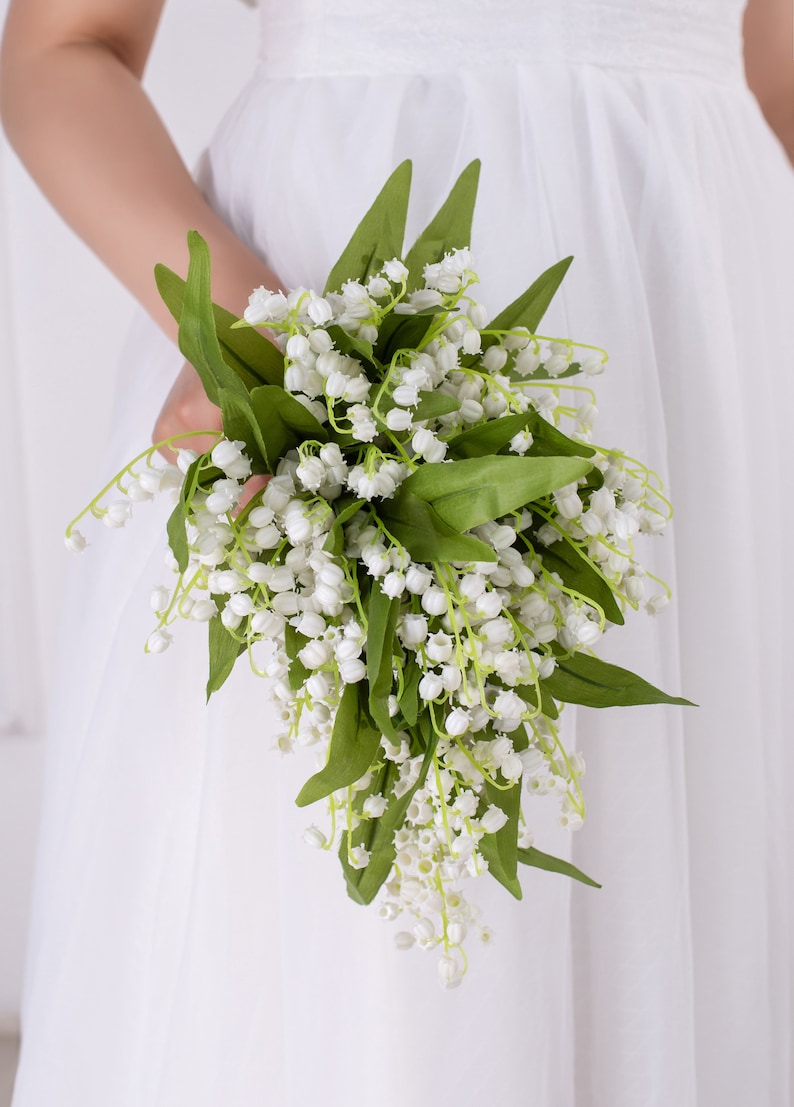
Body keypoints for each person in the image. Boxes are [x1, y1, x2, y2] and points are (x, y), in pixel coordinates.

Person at [1, 2, 793, 1105]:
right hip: (345, 318)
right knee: (383, 962)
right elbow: (58, 49)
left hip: (707, 316)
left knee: (675, 886)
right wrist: (253, 338)